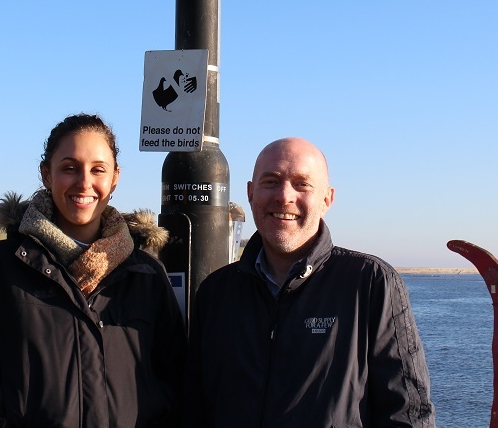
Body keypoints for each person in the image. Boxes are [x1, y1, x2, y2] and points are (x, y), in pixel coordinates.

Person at [0, 114, 186, 428]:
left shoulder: (147, 276)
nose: (84, 182)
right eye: (69, 168)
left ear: (115, 178)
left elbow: (180, 385)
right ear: (47, 175)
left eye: (98, 170)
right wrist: (17, 416)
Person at [184, 137, 436, 428]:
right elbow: (195, 408)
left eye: (301, 184)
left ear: (327, 199)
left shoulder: (370, 283)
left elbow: (408, 413)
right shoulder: (216, 293)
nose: (284, 196)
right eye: (271, 181)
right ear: (251, 193)